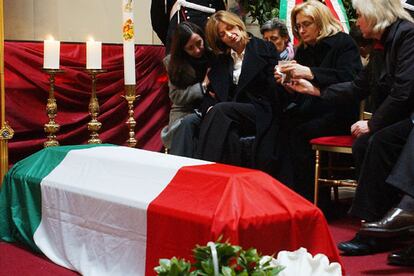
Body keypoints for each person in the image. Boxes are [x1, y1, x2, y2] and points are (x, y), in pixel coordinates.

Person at [284, 0, 414, 255]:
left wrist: (372, 123)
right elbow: (358, 87)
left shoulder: (406, 35)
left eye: (359, 15)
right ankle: (379, 226)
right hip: (401, 118)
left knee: (376, 140)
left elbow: (404, 92)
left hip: (407, 116)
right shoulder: (382, 45)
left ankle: (377, 230)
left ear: (375, 14)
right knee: (370, 142)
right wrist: (316, 90)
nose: (357, 21)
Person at [271, 0, 362, 200]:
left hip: (339, 112)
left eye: (306, 24)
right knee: (275, 126)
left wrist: (310, 72)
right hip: (311, 109)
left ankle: (311, 200)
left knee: (299, 133)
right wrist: (289, 84)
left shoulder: (343, 43)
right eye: (298, 26)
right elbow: (303, 90)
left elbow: (351, 80)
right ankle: (284, 196)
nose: (301, 30)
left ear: (320, 21)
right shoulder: (303, 50)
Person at [194, 11, 283, 167]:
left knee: (220, 110)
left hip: (259, 108)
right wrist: (208, 108)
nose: (229, 34)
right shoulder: (221, 59)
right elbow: (211, 93)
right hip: (232, 112)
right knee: (228, 133)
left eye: (230, 27)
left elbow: (272, 88)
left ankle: (203, 169)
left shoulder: (264, 48)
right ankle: (224, 179)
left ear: (238, 24)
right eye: (222, 34)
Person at [161, 22, 211, 157]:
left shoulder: (213, 55)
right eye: (190, 48)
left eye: (199, 43)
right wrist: (202, 87)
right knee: (185, 127)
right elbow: (176, 96)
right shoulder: (173, 62)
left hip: (210, 108)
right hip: (184, 111)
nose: (197, 50)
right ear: (182, 49)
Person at [150, 0, 225, 52]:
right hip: (182, 51)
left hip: (212, 44)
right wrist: (175, 42)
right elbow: (157, 21)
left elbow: (221, 15)